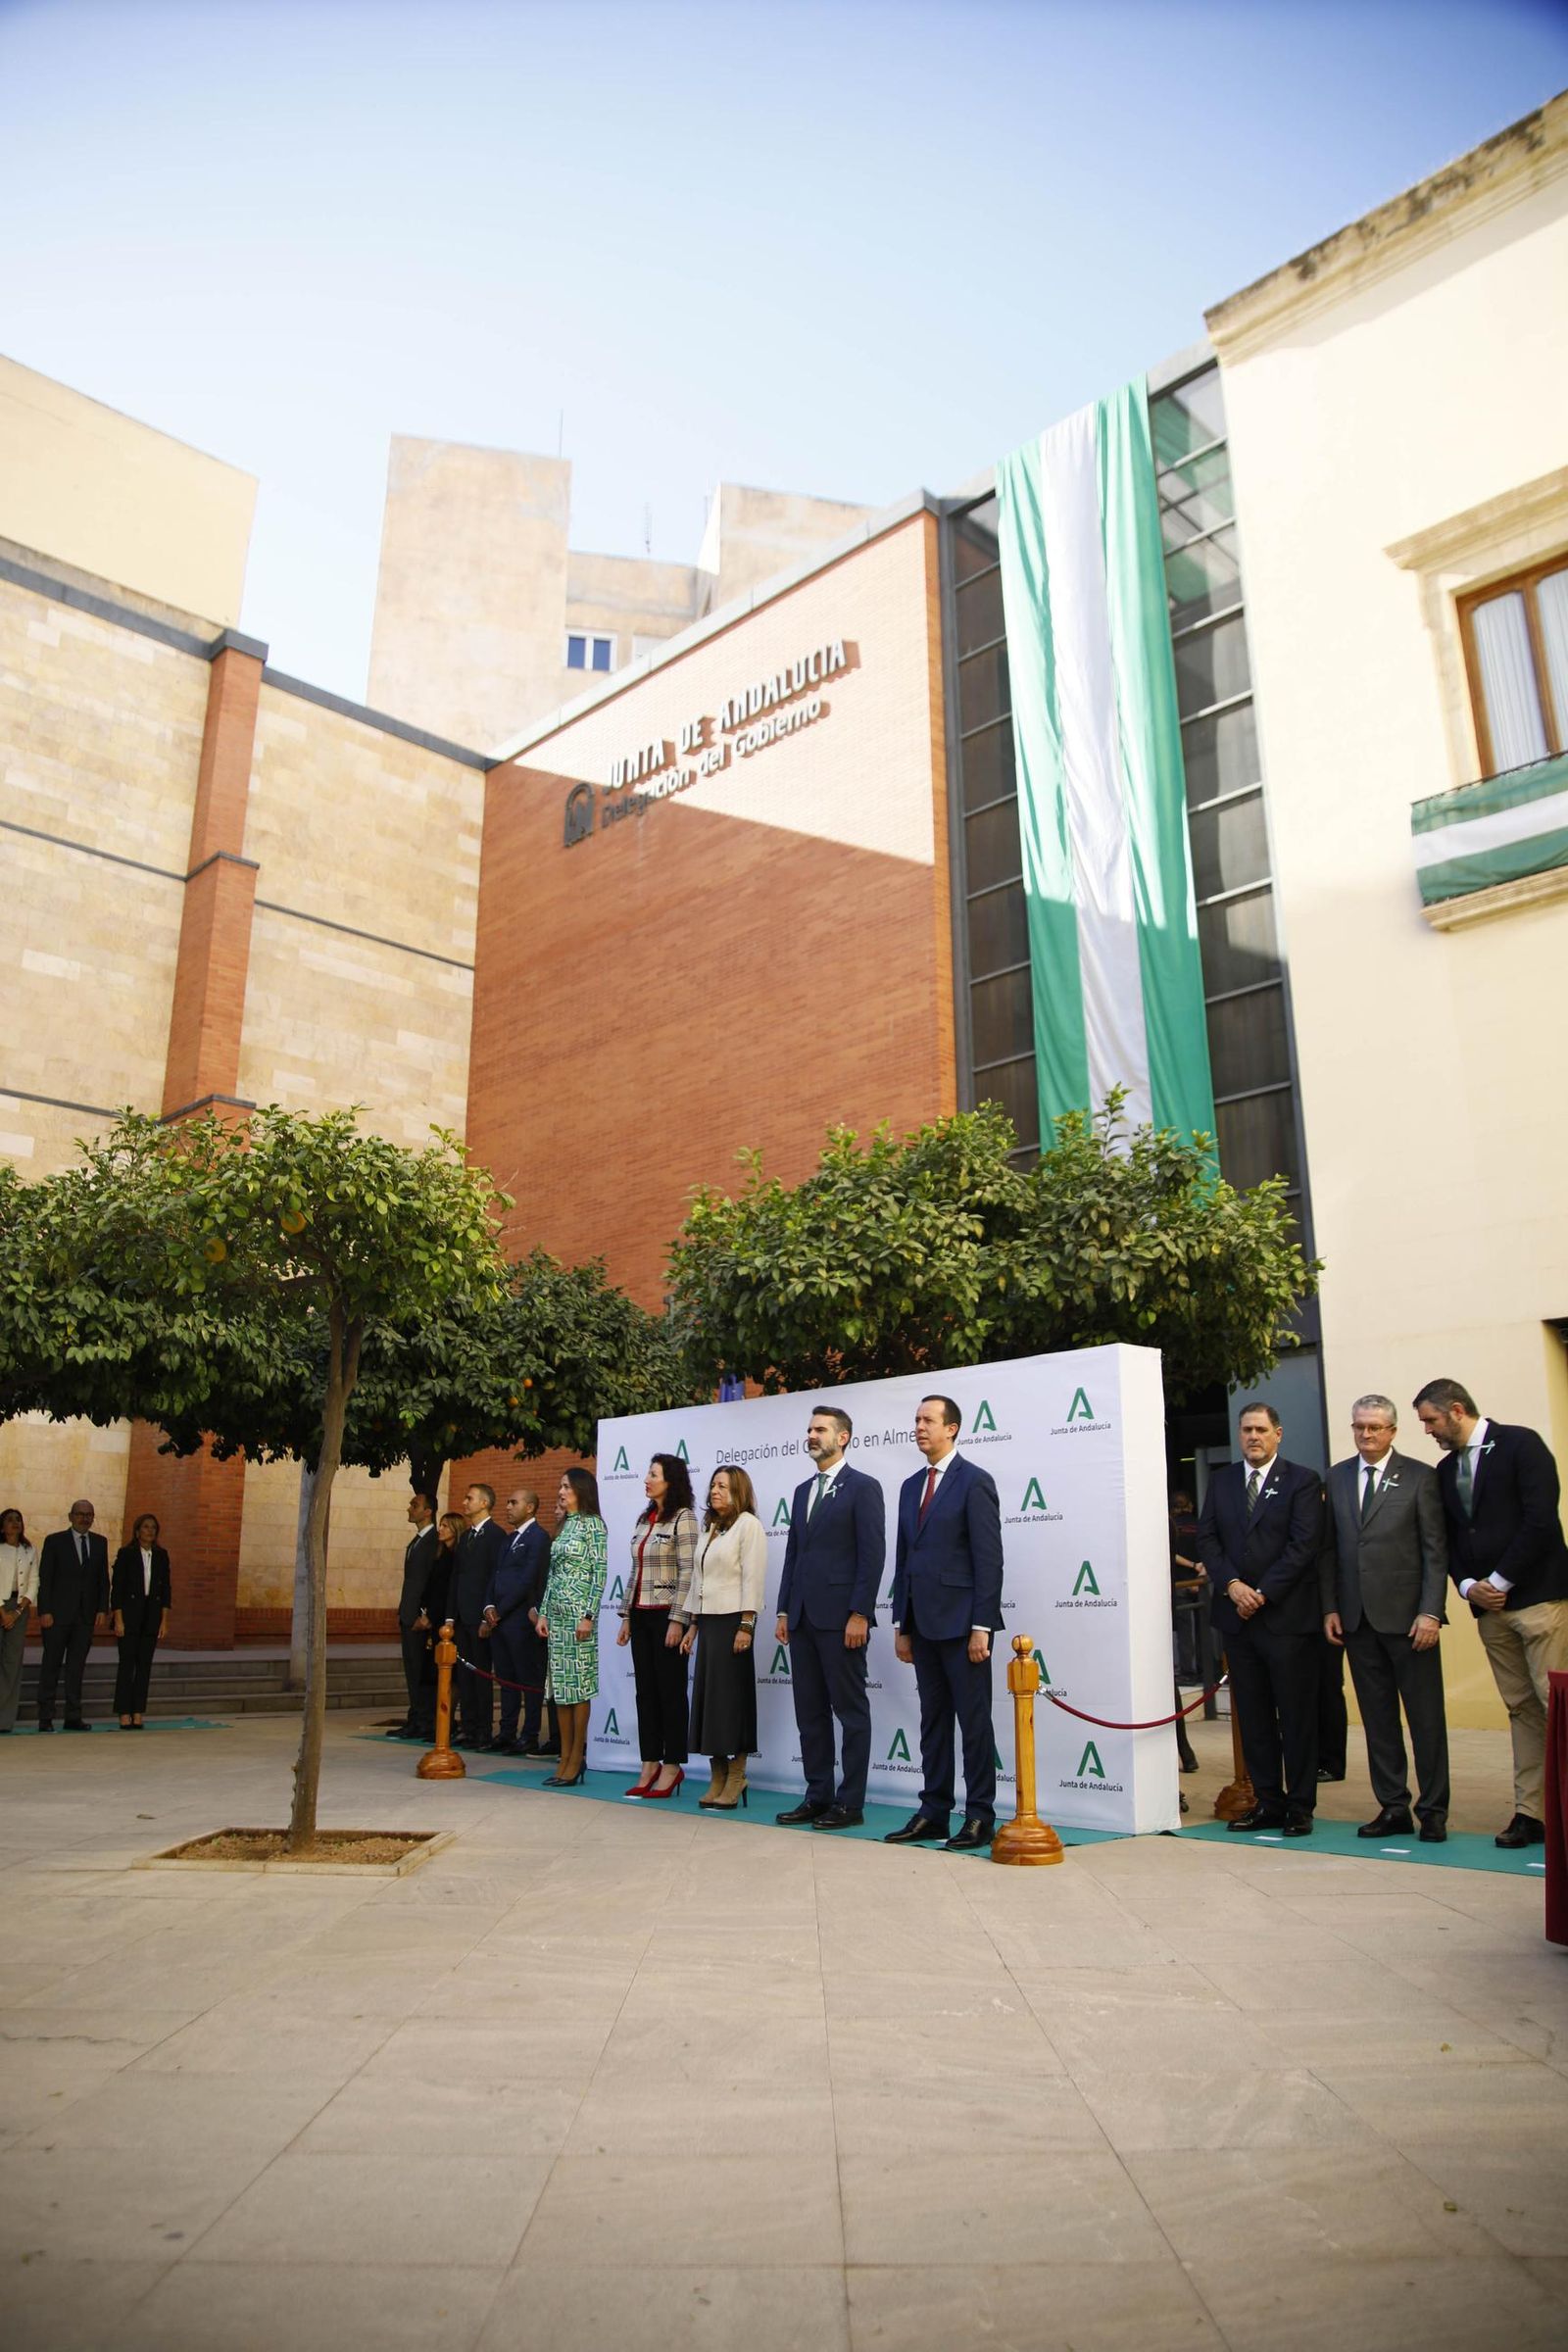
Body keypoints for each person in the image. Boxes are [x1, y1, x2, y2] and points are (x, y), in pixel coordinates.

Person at [1415, 1377, 1568, 1849]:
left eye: (1431, 1420)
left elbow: (1541, 1518)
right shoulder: (1444, 1471)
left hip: (1539, 1600)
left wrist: (1500, 1581)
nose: (1428, 1430)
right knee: (1521, 1708)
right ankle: (1531, 1814)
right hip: (1489, 1613)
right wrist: (1466, 1586)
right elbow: (1451, 1537)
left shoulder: (1522, 1445)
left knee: (1555, 1705)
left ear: (1456, 1410)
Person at [1321, 1394, 1450, 1840]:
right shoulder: (1336, 1478)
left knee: (1426, 1720)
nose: (1366, 1434)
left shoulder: (1420, 1477)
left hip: (1411, 1622)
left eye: (1375, 1427)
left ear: (1393, 1431)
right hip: (1357, 1621)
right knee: (1378, 1721)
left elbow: (1436, 1551)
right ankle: (1393, 1806)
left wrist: (1431, 1611)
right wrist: (1331, 1607)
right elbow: (1329, 1551)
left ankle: (1433, 1810)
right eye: (1359, 1426)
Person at [1198, 1402, 1324, 1836]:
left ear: (1278, 1434)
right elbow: (1208, 1538)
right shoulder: (1222, 1481)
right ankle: (1268, 1802)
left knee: (1295, 1716)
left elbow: (1304, 1545)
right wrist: (1232, 1585)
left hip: (1286, 1619)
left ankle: (1301, 1806)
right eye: (1246, 1430)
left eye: (1261, 1430)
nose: (1253, 1436)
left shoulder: (1302, 1481)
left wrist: (1263, 1593)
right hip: (1237, 1620)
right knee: (1251, 1718)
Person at [886, 1396, 1004, 1852]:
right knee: (933, 1723)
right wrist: (902, 1622)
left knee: (974, 1725)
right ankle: (933, 1811)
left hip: (963, 1626)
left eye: (928, 1420)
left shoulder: (975, 1482)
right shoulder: (910, 1485)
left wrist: (982, 1626)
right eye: (916, 1419)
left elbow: (988, 1560)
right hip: (921, 1624)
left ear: (952, 1429)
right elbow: (904, 1559)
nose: (919, 1427)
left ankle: (979, 1816)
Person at [774, 1405, 885, 1830]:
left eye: (820, 1429)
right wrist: (785, 1609)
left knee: (851, 1712)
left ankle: (850, 1803)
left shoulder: (864, 1487)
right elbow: (794, 1556)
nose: (811, 1435)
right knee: (810, 1713)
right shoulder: (802, 1491)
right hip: (802, 1619)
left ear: (843, 1437)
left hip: (842, 1621)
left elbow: (872, 1556)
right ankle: (817, 1795)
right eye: (809, 1429)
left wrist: (861, 1613)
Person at [678, 1463, 765, 1811]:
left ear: (739, 1491)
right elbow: (700, 1580)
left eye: (723, 1486)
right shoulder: (710, 1528)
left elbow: (753, 1578)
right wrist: (693, 1625)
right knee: (709, 1704)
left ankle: (737, 1775)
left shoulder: (749, 1526)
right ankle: (717, 1774)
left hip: (733, 1623)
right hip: (709, 1624)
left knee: (733, 1703)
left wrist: (746, 1625)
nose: (714, 1491)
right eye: (713, 1485)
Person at [616, 1453, 697, 1799]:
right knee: (645, 1692)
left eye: (653, 1474)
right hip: (641, 1614)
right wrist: (626, 1617)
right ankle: (648, 1762)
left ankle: (673, 1765)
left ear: (671, 1480)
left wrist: (679, 1620)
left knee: (671, 1693)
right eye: (647, 1474)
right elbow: (635, 1571)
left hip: (667, 1615)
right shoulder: (645, 1517)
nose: (647, 1480)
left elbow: (689, 1572)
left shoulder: (685, 1518)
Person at [538, 1468, 608, 1787]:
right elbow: (552, 1575)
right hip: (557, 1619)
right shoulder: (563, 1525)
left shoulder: (593, 1524)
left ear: (581, 1489)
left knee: (579, 1689)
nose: (561, 1491)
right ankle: (564, 1758)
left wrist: (589, 1616)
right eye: (560, 1486)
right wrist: (542, 1614)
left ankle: (577, 1757)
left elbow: (599, 1572)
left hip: (580, 1619)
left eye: (566, 1486)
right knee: (560, 1691)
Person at [481, 1489, 553, 1756]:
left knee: (528, 1681)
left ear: (530, 1507)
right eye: (508, 1501)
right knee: (506, 1679)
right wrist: (488, 1606)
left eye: (514, 1502)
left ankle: (529, 1734)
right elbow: (496, 1575)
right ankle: (507, 1732)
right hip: (500, 1620)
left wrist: (500, 1610)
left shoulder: (538, 1537)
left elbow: (528, 1580)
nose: (508, 1507)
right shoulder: (509, 1539)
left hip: (521, 1620)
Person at [36, 1498, 110, 1732]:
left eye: (89, 1514)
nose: (84, 1518)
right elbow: (45, 1579)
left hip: (85, 1617)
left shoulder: (100, 1543)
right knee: (51, 1665)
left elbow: (102, 1580)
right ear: (70, 1516)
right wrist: (45, 1610)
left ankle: (73, 1716)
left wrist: (101, 1609)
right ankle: (45, 1717)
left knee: (76, 1668)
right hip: (57, 1615)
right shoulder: (55, 1541)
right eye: (80, 1514)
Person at [450, 1484, 507, 1750]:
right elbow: (456, 1578)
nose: (465, 1502)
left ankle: (483, 1729)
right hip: (462, 1616)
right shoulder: (465, 1538)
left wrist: (487, 1615)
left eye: (469, 1498)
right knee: (464, 1676)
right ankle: (468, 1726)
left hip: (480, 1617)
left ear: (484, 1503)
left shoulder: (496, 1536)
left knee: (481, 1676)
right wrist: (450, 1616)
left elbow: (495, 1578)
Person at [109, 1512, 172, 1728]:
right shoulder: (126, 1554)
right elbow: (117, 1589)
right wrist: (118, 1619)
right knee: (127, 1665)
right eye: (145, 1527)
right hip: (129, 1615)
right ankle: (123, 1712)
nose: (150, 1530)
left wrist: (164, 1621)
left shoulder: (162, 1555)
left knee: (144, 1665)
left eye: (153, 1527)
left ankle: (138, 1711)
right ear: (137, 1531)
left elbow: (166, 1591)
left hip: (151, 1616)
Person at [390, 1492, 441, 1740]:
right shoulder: (417, 1541)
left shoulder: (434, 1540)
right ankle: (416, 1717)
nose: (409, 1508)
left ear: (428, 1511)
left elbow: (433, 1580)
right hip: (408, 1615)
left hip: (421, 1620)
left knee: (422, 1671)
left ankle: (425, 1720)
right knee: (412, 1671)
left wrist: (426, 1614)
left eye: (415, 1505)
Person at [0, 1507, 38, 1734]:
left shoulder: (29, 1549)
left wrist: (18, 1610)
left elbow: (34, 1580)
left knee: (12, 1664)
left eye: (18, 1520)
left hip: (19, 1608)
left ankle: (4, 1720)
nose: (15, 1523)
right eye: (10, 1520)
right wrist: (3, 1612)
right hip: (1, 1606)